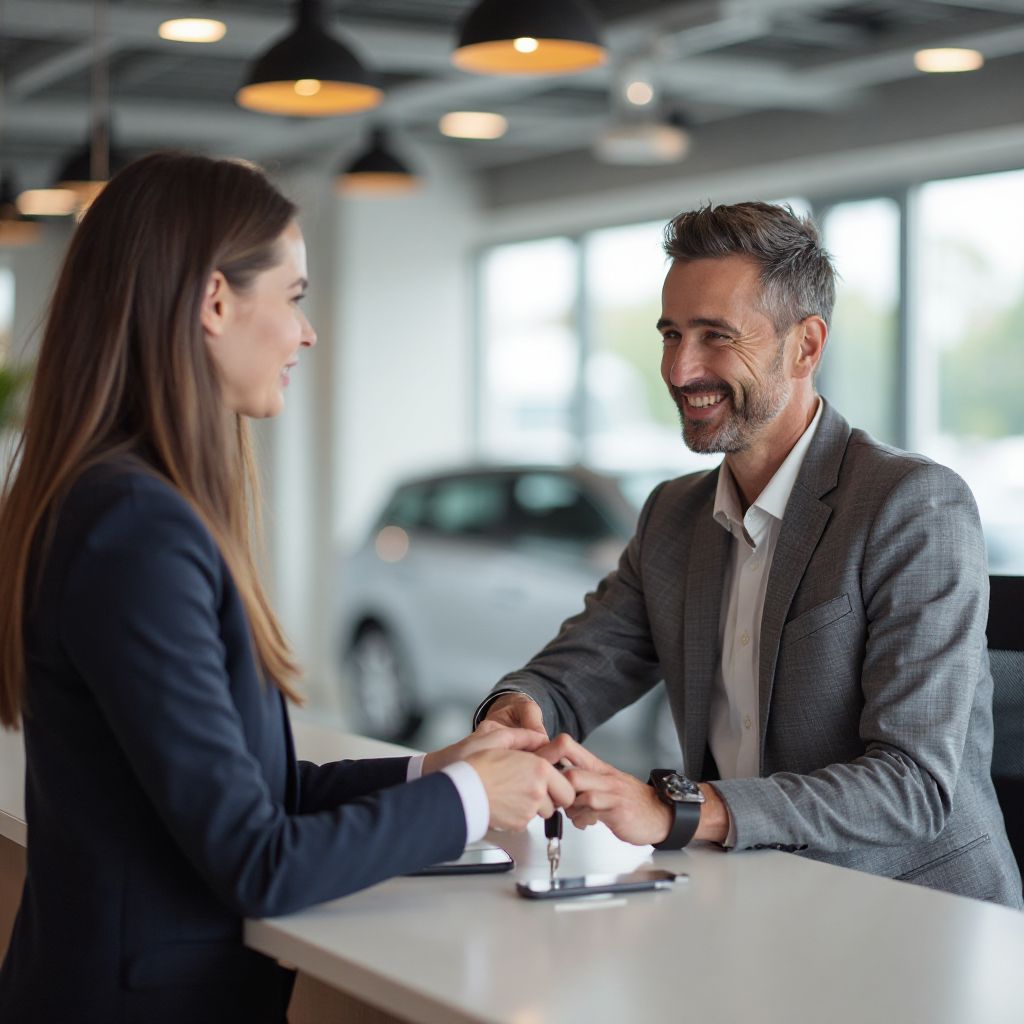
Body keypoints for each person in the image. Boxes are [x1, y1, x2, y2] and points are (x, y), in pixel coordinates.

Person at [0, 152, 574, 1024]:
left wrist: (441, 769)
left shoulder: (129, 504)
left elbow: (259, 793)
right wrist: (470, 803)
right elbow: (258, 860)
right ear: (215, 301)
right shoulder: (133, 528)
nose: (307, 333)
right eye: (296, 295)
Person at [478, 201, 1022, 908]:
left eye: (715, 336)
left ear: (805, 346)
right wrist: (519, 708)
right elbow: (580, 669)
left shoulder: (912, 506)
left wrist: (678, 807)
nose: (679, 368)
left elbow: (912, 785)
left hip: (914, 920)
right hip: (750, 902)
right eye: (671, 334)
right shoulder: (675, 513)